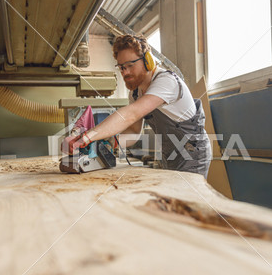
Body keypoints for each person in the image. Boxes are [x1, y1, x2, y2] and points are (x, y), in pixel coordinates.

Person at [62, 34, 211, 178]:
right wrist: (110, 142)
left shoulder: (166, 81)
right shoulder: (135, 92)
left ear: (148, 61)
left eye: (130, 65)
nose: (125, 72)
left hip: (193, 154)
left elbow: (130, 115)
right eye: (121, 67)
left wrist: (87, 136)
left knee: (186, 201)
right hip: (169, 154)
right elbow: (134, 132)